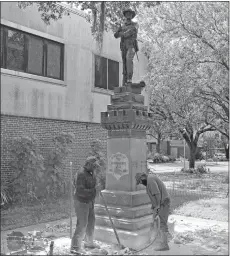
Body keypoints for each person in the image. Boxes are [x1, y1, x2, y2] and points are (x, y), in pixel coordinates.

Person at [71, 156, 101, 255]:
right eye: (93, 166)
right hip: (81, 202)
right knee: (82, 224)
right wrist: (94, 190)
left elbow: (93, 185)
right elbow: (80, 191)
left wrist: (96, 184)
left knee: (91, 222)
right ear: (88, 164)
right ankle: (75, 247)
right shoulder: (81, 174)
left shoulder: (90, 173)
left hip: (89, 201)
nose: (95, 168)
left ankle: (89, 242)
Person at [135, 171, 171, 251]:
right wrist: (154, 206)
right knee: (156, 222)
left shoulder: (150, 180)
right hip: (160, 204)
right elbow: (154, 196)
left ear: (142, 177)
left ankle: (164, 245)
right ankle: (158, 240)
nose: (141, 183)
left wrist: (157, 206)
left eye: (140, 181)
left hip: (163, 203)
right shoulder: (149, 180)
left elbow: (157, 194)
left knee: (162, 223)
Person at [114, 8, 139, 85]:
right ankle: (124, 81)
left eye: (130, 14)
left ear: (132, 15)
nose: (129, 15)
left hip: (131, 46)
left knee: (128, 60)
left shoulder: (135, 24)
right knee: (124, 63)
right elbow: (116, 35)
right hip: (124, 46)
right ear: (125, 15)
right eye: (127, 13)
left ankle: (129, 79)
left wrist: (122, 33)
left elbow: (131, 32)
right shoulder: (121, 25)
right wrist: (121, 33)